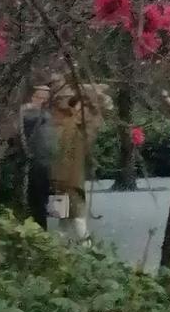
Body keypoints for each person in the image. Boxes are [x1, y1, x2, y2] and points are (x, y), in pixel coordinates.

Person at [48, 81, 110, 242]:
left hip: (66, 178)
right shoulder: (69, 123)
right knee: (69, 217)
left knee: (69, 217)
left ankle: (75, 245)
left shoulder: (76, 124)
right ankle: (77, 246)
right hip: (65, 179)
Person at [20, 84, 54, 229]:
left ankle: (40, 229)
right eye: (40, 97)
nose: (42, 101)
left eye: (46, 99)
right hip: (35, 162)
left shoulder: (47, 116)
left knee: (40, 200)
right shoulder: (30, 115)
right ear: (33, 97)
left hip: (44, 163)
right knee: (37, 200)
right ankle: (38, 229)